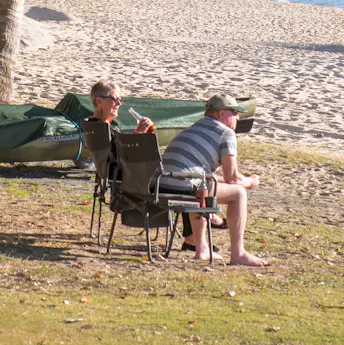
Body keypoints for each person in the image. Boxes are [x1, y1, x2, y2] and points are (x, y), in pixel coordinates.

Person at [161, 95, 267, 266]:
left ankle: (201, 247)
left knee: (204, 186)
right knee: (238, 193)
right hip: (185, 185)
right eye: (234, 112)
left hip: (163, 183)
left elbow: (205, 173)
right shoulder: (225, 133)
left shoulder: (194, 128)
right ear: (222, 114)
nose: (238, 117)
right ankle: (238, 254)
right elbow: (232, 178)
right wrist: (250, 182)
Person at [85, 79, 155, 134]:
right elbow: (118, 151)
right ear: (99, 101)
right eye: (115, 99)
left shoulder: (108, 128)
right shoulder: (93, 129)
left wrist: (147, 134)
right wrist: (139, 133)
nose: (119, 103)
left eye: (120, 100)